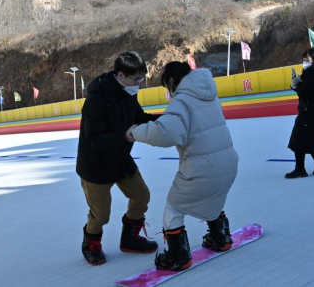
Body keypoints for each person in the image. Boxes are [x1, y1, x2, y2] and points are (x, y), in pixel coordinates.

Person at [132, 62, 239, 271]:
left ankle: (177, 255)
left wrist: (135, 132)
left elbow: (165, 134)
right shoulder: (209, 96)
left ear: (172, 81)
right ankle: (221, 237)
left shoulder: (182, 101)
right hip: (228, 164)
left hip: (202, 168)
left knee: (173, 208)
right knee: (212, 196)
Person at [76, 51, 160, 266]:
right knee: (101, 214)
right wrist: (123, 136)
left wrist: (167, 118)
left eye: (141, 78)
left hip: (121, 158)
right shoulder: (96, 99)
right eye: (136, 79)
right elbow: (93, 139)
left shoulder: (128, 93)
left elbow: (139, 118)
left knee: (141, 195)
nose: (139, 84)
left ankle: (130, 239)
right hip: (96, 165)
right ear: (120, 75)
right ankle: (91, 244)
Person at [286, 47, 314, 179]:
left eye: (307, 59)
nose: (304, 62)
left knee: (298, 139)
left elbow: (304, 92)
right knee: (310, 139)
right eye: (304, 59)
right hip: (313, 113)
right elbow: (304, 90)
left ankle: (300, 169)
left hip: (310, 114)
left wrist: (296, 85)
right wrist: (297, 83)